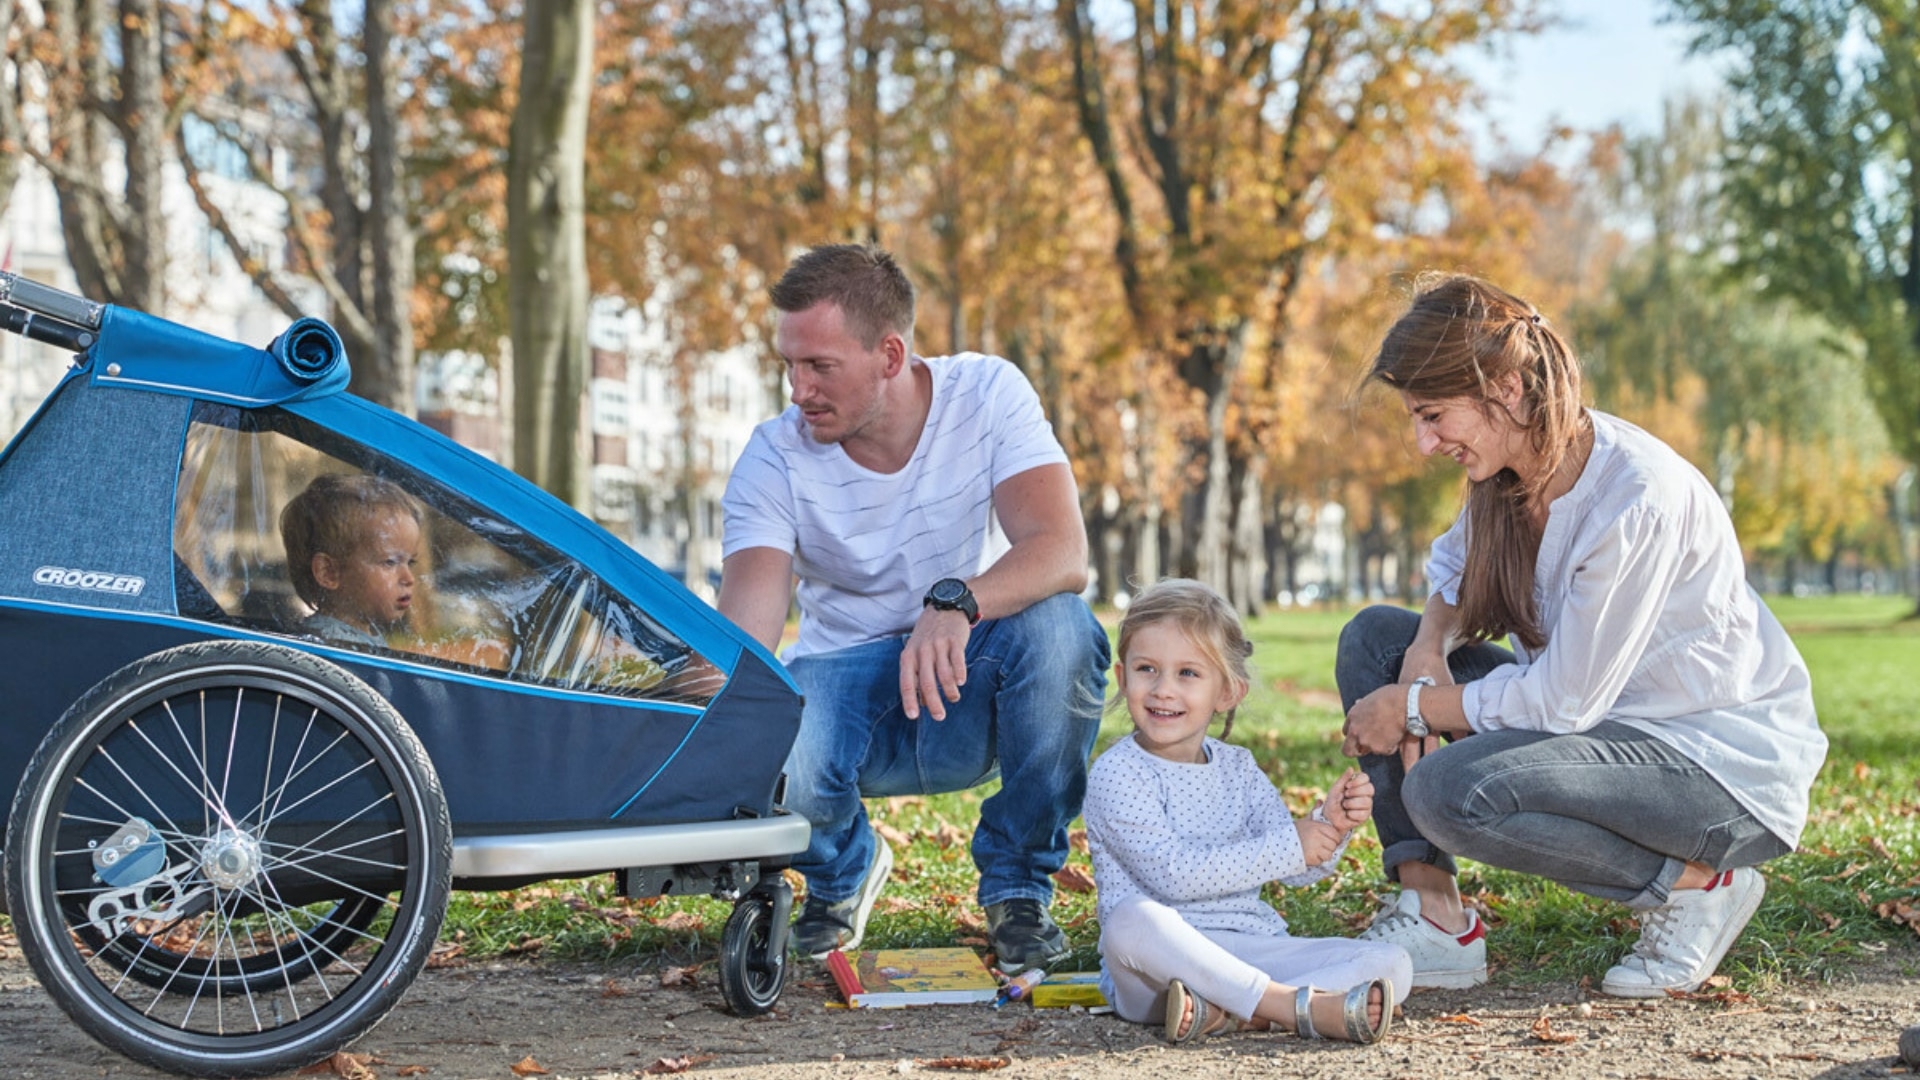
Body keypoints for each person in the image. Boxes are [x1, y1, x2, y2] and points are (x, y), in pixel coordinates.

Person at [1335, 274, 1826, 997]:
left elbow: (1563, 702)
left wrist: (1412, 708)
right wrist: (1424, 651)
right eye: (1415, 418)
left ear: (1502, 387)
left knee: (1448, 791)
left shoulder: (1634, 497)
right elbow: (1452, 569)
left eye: (1434, 415)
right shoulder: (1510, 475)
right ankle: (1435, 916)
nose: (1422, 443)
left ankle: (1700, 885)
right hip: (1604, 736)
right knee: (1374, 637)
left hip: (1714, 770)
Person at [716, 243, 1110, 971]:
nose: (798, 390)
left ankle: (1019, 888)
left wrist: (956, 601)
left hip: (972, 683)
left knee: (1064, 630)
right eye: (789, 366)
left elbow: (1062, 551)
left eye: (820, 367)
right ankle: (842, 875)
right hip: (850, 694)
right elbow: (746, 634)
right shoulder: (773, 457)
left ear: (890, 355)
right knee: (773, 715)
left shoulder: (987, 394)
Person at [1085, 579, 1407, 1045]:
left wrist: (1328, 828)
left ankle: (1231, 1012)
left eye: (1188, 674)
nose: (1163, 690)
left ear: (1227, 692)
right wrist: (1290, 846)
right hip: (1156, 972)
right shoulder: (1118, 773)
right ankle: (1298, 1008)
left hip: (1250, 949)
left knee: (1392, 961)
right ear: (1122, 677)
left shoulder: (1238, 768)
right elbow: (1174, 876)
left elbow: (1296, 870)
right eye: (1147, 669)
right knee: (1130, 921)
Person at [280, 473, 423, 650]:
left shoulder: (359, 639)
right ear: (328, 572)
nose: (409, 578)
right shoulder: (335, 649)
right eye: (390, 562)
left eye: (411, 563)